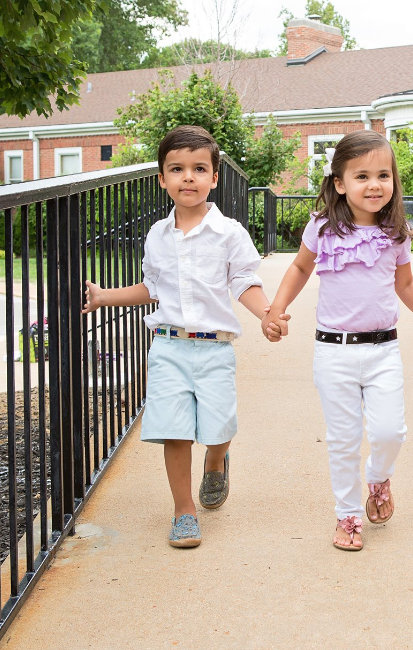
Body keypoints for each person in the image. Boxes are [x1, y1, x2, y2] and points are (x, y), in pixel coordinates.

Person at [261, 130, 413, 551]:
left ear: (393, 181)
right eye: (362, 176)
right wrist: (275, 309)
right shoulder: (322, 228)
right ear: (339, 183)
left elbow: (406, 285)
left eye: (383, 175)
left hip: (383, 349)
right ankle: (348, 515)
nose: (374, 185)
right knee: (343, 439)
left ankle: (379, 477)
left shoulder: (396, 232)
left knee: (391, 432)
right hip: (333, 352)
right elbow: (299, 268)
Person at [82, 125, 278, 548]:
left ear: (214, 177)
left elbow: (244, 281)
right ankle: (184, 511)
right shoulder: (157, 234)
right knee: (175, 430)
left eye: (198, 168)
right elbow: (152, 287)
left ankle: (216, 460)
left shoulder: (230, 234)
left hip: (214, 348)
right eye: (177, 169)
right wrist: (104, 297)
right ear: (162, 179)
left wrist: (267, 314)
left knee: (219, 426)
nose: (188, 177)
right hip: (168, 346)